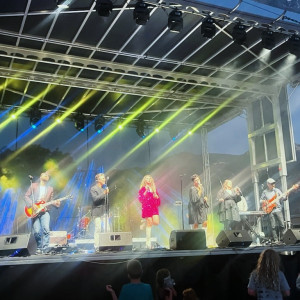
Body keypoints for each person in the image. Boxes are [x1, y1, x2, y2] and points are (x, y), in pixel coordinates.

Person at [25, 172, 60, 254]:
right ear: (40, 177)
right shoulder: (33, 185)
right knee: (36, 231)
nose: (47, 176)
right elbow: (26, 196)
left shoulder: (50, 188)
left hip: (45, 211)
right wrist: (32, 204)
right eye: (45, 174)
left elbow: (51, 201)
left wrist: (56, 203)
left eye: (48, 176)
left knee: (46, 229)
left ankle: (45, 248)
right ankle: (39, 247)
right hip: (34, 211)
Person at [260, 178, 288, 242]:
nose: (273, 185)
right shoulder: (265, 192)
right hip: (270, 211)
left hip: (278, 209)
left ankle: (283, 239)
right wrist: (265, 201)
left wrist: (286, 196)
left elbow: (283, 198)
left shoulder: (277, 190)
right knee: (273, 226)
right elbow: (260, 200)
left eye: (273, 183)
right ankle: (276, 240)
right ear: (268, 184)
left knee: (282, 224)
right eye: (271, 183)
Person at [138, 175, 160, 249]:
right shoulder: (142, 189)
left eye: (150, 178)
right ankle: (148, 243)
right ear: (144, 180)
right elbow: (141, 199)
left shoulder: (154, 189)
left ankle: (145, 222)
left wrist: (157, 197)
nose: (148, 179)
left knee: (156, 222)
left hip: (154, 208)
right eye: (147, 178)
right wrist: (145, 192)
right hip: (146, 208)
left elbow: (158, 202)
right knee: (150, 222)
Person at [90, 173, 110, 251]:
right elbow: (95, 199)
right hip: (97, 211)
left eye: (104, 178)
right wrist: (104, 193)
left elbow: (106, 201)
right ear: (97, 180)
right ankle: (97, 247)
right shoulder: (93, 189)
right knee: (98, 229)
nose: (104, 180)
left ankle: (107, 245)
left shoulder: (104, 189)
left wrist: (108, 211)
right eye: (102, 178)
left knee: (107, 229)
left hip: (104, 211)